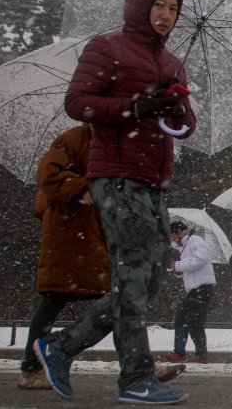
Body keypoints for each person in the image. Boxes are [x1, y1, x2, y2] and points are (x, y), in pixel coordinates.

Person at [34, 0, 196, 405]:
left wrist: (176, 107)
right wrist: (134, 108)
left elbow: (186, 128)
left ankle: (62, 346)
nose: (166, 15)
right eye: (159, 5)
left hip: (153, 181)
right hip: (116, 176)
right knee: (131, 278)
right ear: (140, 5)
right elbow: (77, 102)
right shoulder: (107, 48)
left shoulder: (172, 63)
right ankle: (136, 379)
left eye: (173, 9)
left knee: (147, 278)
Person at [20, 124, 184, 390]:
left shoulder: (120, 142)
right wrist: (83, 187)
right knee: (56, 299)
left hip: (102, 235)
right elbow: (48, 175)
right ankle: (32, 367)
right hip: (71, 235)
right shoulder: (76, 137)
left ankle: (138, 365)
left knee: (123, 300)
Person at [159, 221, 216, 364]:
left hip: (201, 288)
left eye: (172, 235)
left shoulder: (194, 240)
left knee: (181, 318)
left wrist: (178, 265)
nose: (172, 239)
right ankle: (201, 356)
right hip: (201, 288)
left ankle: (179, 353)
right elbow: (192, 268)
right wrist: (178, 272)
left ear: (179, 232)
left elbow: (200, 260)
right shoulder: (185, 246)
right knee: (196, 322)